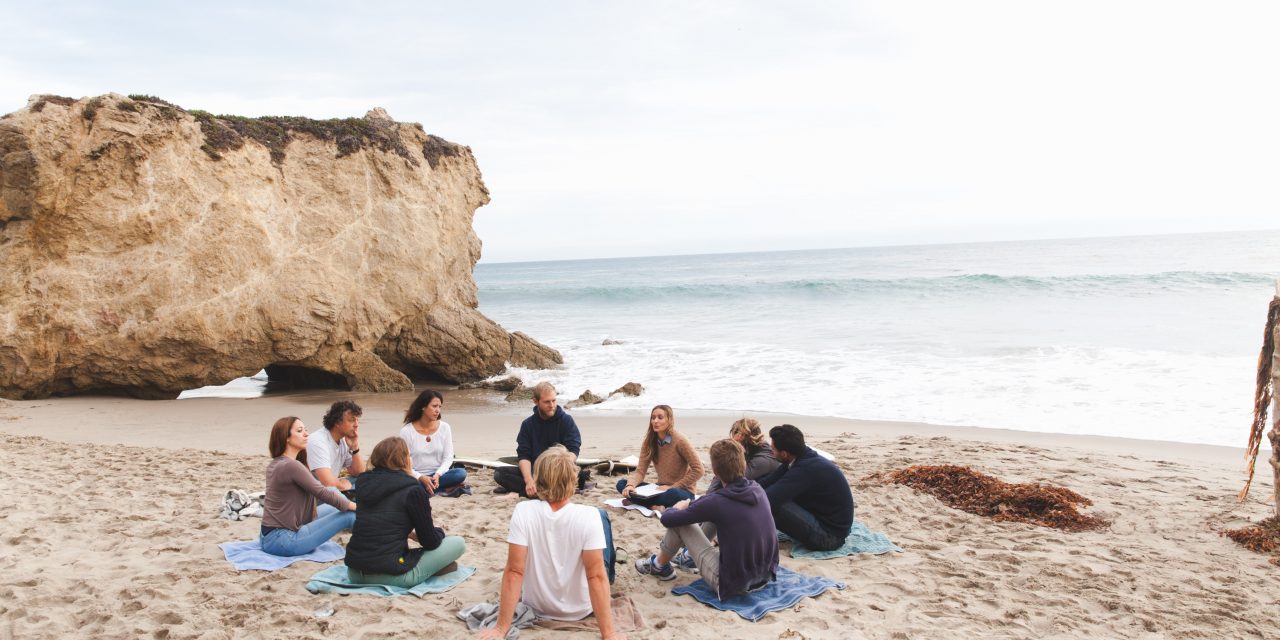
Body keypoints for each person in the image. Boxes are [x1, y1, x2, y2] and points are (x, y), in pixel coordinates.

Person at [480, 446, 623, 640]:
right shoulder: (589, 516)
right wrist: (609, 634)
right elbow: (596, 576)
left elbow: (515, 571)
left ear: (539, 478)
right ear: (573, 480)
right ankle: (612, 574)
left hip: (538, 607)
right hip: (580, 608)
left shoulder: (523, 511)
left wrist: (500, 629)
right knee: (601, 516)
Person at [634, 439, 778, 600]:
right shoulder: (757, 489)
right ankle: (688, 559)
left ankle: (658, 566)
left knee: (680, 522)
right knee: (712, 514)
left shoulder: (718, 501)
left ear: (715, 473)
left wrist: (679, 507)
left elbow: (668, 519)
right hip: (766, 575)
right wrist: (692, 504)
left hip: (732, 584)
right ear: (744, 465)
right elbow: (708, 504)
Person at [345, 437, 467, 587]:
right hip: (391, 573)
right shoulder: (413, 491)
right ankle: (432, 570)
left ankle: (435, 568)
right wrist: (439, 532)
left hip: (354, 573)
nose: (411, 459)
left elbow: (381, 521)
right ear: (403, 460)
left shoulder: (363, 485)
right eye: (409, 455)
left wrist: (409, 533)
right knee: (458, 543)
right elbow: (430, 542)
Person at [260, 416, 357, 557]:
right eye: (300, 431)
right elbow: (321, 493)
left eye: (306, 430)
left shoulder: (277, 463)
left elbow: (325, 491)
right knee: (348, 515)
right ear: (286, 437)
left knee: (333, 495)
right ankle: (380, 541)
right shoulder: (291, 466)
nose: (306, 434)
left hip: (270, 537)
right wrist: (355, 506)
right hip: (283, 541)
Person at [757, 424, 855, 551]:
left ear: (785, 454)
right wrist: (739, 488)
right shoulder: (800, 457)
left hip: (830, 538)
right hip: (825, 522)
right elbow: (768, 481)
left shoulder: (805, 469)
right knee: (768, 494)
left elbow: (767, 498)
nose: (771, 451)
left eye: (773, 449)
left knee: (769, 503)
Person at [494, 382, 592, 497]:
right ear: (536, 401)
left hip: (559, 471)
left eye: (554, 400)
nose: (552, 405)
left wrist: (553, 471)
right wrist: (529, 480)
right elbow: (524, 456)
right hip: (536, 471)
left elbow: (573, 451)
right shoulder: (527, 425)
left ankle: (522, 493)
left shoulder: (566, 420)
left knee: (576, 475)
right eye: (547, 402)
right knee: (500, 474)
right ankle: (539, 490)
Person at [701, 417, 781, 542]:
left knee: (719, 505)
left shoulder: (763, 460)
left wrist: (732, 450)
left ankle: (696, 547)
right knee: (713, 503)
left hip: (767, 507)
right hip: (756, 498)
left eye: (735, 437)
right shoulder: (754, 450)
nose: (733, 439)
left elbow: (728, 478)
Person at [615, 405, 704, 510]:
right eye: (653, 418)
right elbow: (640, 472)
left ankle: (640, 502)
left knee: (673, 494)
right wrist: (631, 485)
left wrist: (673, 486)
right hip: (658, 489)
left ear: (669, 420)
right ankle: (652, 505)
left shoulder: (680, 440)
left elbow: (699, 470)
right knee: (622, 484)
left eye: (660, 417)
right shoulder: (649, 442)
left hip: (682, 491)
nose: (655, 421)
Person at [398, 389, 468, 496]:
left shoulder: (445, 427)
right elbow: (403, 464)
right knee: (406, 483)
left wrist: (438, 474)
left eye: (440, 407)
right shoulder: (407, 431)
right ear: (423, 406)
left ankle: (429, 488)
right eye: (434, 406)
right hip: (416, 476)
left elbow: (448, 457)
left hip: (439, 475)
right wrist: (421, 477)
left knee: (460, 473)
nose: (438, 410)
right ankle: (441, 489)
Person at [307, 400, 366, 494]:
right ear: (337, 423)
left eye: (357, 420)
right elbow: (327, 483)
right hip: (314, 495)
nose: (356, 425)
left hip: (331, 489)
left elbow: (359, 473)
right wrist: (342, 485)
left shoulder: (344, 440)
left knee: (365, 481)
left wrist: (355, 447)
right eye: (351, 420)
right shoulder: (318, 441)